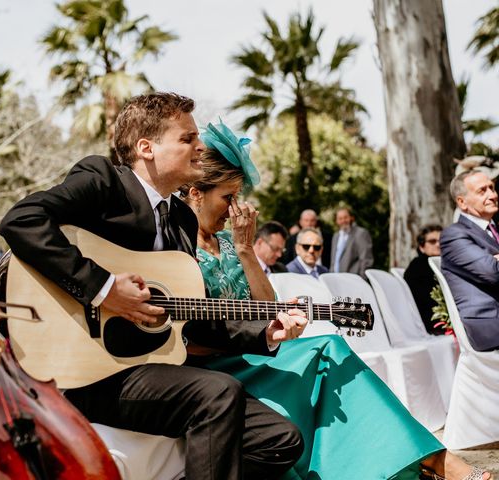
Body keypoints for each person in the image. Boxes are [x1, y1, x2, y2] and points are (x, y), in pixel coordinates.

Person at [0, 92, 307, 479]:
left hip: (150, 367)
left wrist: (267, 332)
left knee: (280, 440)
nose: (200, 148)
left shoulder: (182, 218)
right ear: (146, 147)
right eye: (187, 139)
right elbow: (21, 220)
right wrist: (104, 288)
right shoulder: (104, 181)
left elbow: (189, 316)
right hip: (89, 371)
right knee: (218, 393)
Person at [179, 122, 491, 480]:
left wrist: (248, 251)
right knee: (326, 349)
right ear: (196, 193)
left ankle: (427, 461)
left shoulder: (234, 243)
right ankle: (433, 464)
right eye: (228, 197)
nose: (236, 209)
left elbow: (267, 306)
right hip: (210, 368)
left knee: (331, 347)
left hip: (250, 353)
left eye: (238, 197)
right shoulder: (176, 246)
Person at [441, 170, 499, 352]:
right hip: (491, 325)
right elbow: (493, 272)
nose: (493, 195)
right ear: (462, 202)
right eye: (482, 191)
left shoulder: (495, 229)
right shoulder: (454, 235)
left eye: (492, 188)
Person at [404, 225, 444, 335]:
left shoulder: (438, 264)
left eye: (442, 240)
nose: (438, 244)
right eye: (432, 241)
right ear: (422, 247)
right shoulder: (419, 266)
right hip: (434, 326)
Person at [330, 207, 374, 278]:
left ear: (351, 218)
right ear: (336, 221)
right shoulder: (336, 236)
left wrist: (362, 280)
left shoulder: (361, 233)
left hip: (353, 279)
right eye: (340, 218)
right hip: (336, 279)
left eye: (345, 217)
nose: (343, 221)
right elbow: (334, 261)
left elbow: (366, 260)